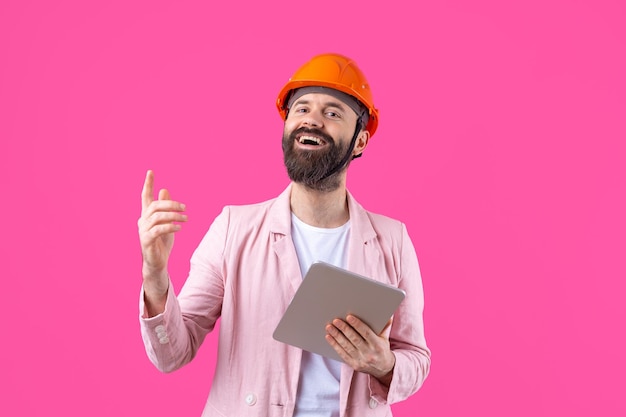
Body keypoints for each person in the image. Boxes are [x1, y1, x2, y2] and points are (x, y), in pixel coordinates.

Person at [138, 53, 430, 417]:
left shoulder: (393, 240)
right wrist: (155, 274)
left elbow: (416, 358)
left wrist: (384, 364)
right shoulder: (234, 229)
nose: (312, 120)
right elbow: (171, 354)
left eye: (332, 113)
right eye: (301, 108)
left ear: (360, 142)